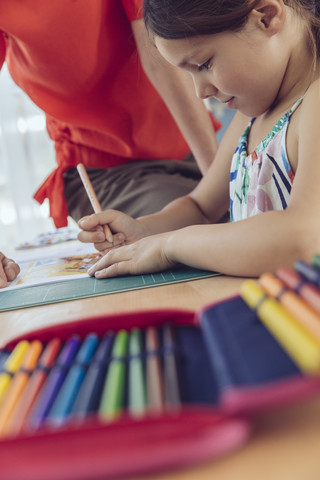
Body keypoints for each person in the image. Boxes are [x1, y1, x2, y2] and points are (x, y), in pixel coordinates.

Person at [75, 0, 320, 280]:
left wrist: (169, 246)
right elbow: (201, 208)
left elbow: (304, 239)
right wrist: (144, 231)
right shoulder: (253, 115)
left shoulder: (315, 103)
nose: (200, 91)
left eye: (204, 64)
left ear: (266, 17)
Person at [0, 0, 221, 288]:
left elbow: (158, 59)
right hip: (103, 171)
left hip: (189, 143)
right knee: (201, 240)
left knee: (236, 221)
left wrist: (223, 182)